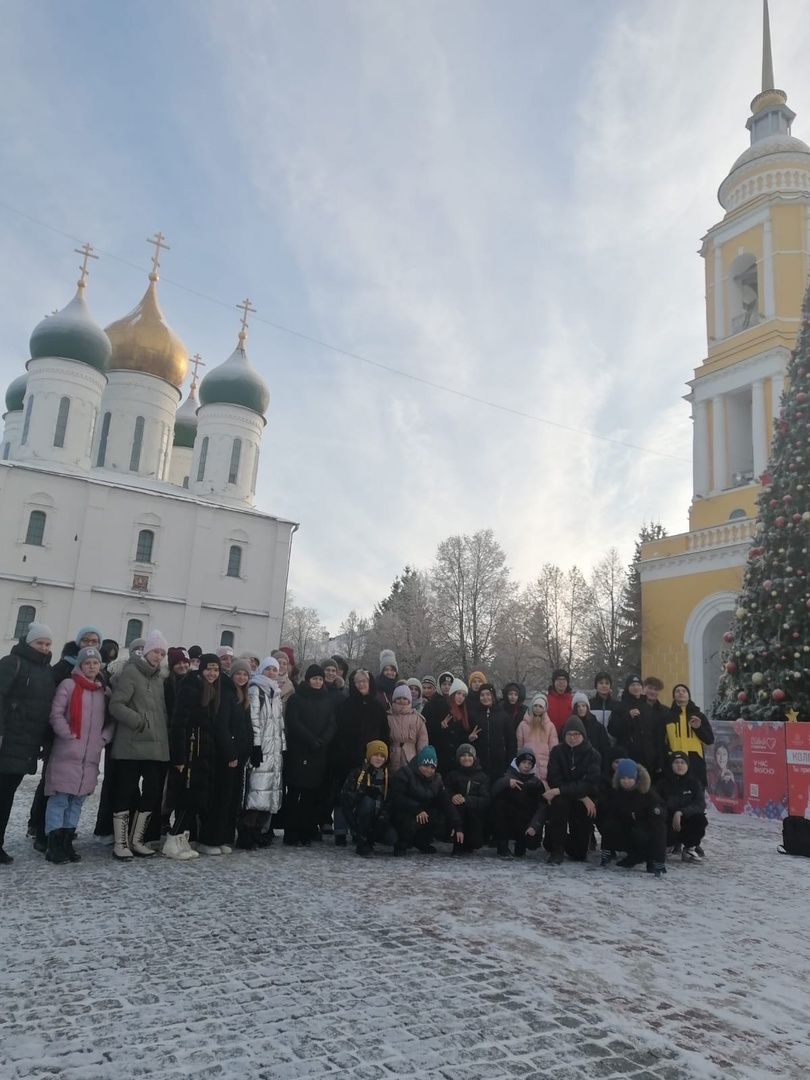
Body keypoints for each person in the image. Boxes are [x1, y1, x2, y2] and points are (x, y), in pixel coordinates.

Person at [44, 646, 113, 865]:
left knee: (77, 802)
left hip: (90, 756)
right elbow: (56, 713)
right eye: (87, 663)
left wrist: (104, 738)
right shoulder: (69, 685)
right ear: (80, 665)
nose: (92, 667)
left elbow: (112, 720)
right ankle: (53, 844)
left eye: (95, 663)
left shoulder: (104, 691)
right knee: (60, 799)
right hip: (67, 751)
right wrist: (67, 734)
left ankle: (66, 842)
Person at [108, 629, 170, 861]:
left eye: (162, 653)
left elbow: (161, 712)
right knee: (125, 792)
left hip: (154, 747)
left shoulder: (158, 678)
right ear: (146, 651)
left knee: (152, 793)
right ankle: (120, 842)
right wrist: (138, 721)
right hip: (131, 746)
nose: (158, 656)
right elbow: (116, 705)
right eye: (156, 651)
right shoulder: (132, 672)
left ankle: (137, 839)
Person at [163, 653, 228, 860]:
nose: (212, 673)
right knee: (186, 797)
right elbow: (178, 724)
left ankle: (182, 839)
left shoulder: (210, 690)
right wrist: (179, 758)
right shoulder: (191, 688)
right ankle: (173, 840)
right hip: (190, 753)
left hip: (202, 753)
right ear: (201, 669)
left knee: (194, 799)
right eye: (209, 669)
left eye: (216, 670)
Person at [0, 622, 55, 864]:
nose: (44, 647)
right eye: (39, 643)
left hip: (26, 744)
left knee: (6, 794)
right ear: (28, 643)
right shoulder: (11, 663)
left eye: (47, 644)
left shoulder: (46, 670)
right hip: (6, 739)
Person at [331, 670, 389, 846]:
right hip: (346, 758)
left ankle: (360, 831)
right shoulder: (344, 705)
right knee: (344, 795)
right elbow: (337, 732)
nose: (362, 685)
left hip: (371, 761)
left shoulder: (378, 707)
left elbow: (384, 734)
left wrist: (382, 757)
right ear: (353, 684)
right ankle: (340, 831)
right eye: (358, 682)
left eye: (365, 681)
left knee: (367, 796)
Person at [283, 664, 336, 845]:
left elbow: (331, 724)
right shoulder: (297, 698)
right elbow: (294, 721)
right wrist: (310, 739)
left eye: (320, 679)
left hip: (318, 753)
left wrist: (322, 741)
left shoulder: (327, 700)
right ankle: (291, 833)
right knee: (295, 794)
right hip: (300, 751)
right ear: (308, 679)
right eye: (315, 678)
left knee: (310, 797)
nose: (318, 682)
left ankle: (306, 832)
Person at [241, 656, 286, 849]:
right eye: (268, 669)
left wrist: (283, 747)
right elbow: (254, 720)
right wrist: (256, 746)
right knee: (255, 793)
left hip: (274, 751)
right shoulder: (255, 689)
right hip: (261, 749)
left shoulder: (275, 692)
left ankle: (258, 831)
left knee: (268, 794)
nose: (271, 673)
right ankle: (246, 833)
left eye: (274, 670)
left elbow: (280, 723)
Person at [543, 716, 601, 865]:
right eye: (569, 734)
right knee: (559, 803)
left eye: (576, 734)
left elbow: (590, 783)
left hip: (584, 798)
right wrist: (578, 795)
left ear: (583, 735)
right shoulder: (557, 751)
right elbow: (554, 778)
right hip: (567, 797)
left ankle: (572, 844)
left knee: (579, 853)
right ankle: (557, 848)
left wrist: (566, 791)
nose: (573, 738)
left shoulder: (593, 754)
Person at [599, 758, 667, 878]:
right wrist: (606, 848)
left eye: (630, 778)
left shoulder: (649, 795)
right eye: (623, 778)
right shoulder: (617, 793)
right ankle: (629, 856)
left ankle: (650, 860)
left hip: (646, 832)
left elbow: (659, 829)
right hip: (628, 829)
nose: (626, 781)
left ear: (636, 777)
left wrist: (659, 859)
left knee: (641, 834)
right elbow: (610, 817)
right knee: (610, 825)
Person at [390, 744, 461, 856]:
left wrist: (457, 824)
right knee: (412, 821)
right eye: (426, 765)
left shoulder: (437, 780)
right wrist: (416, 808)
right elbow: (396, 797)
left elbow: (446, 802)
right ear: (419, 763)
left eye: (432, 767)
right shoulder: (404, 773)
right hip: (403, 812)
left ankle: (421, 841)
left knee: (440, 818)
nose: (429, 770)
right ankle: (401, 845)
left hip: (424, 813)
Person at [340, 740, 398, 857]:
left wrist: (383, 818)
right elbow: (345, 797)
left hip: (378, 817)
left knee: (392, 838)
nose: (379, 758)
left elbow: (391, 800)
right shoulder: (357, 772)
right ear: (369, 756)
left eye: (382, 756)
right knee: (368, 803)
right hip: (359, 816)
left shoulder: (389, 776)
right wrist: (364, 792)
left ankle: (370, 839)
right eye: (376, 755)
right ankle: (362, 842)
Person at [221, 658, 254, 850]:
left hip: (241, 756)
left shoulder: (243, 695)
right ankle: (220, 836)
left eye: (245, 674)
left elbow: (247, 726)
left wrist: (249, 748)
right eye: (238, 674)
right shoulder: (227, 695)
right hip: (230, 756)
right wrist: (231, 753)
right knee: (226, 798)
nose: (241, 677)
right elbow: (223, 727)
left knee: (235, 798)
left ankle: (227, 835)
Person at [490, 749, 544, 859]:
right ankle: (502, 845)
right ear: (518, 763)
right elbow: (493, 793)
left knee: (532, 843)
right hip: (508, 819)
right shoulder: (507, 776)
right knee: (499, 805)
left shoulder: (536, 783)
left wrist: (534, 825)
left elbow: (542, 806)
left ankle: (521, 844)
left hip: (526, 821)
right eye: (524, 762)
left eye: (529, 763)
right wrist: (506, 783)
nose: (526, 766)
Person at [608, 674, 665, 779]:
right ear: (628, 687)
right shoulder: (620, 706)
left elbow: (657, 735)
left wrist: (658, 759)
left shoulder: (647, 708)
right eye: (633, 685)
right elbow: (612, 729)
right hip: (628, 755)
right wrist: (628, 717)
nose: (636, 687)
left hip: (648, 758)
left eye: (638, 685)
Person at [655, 751, 708, 862]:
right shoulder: (662, 784)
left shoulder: (694, 783)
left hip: (685, 819)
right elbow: (656, 803)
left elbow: (700, 804)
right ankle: (665, 846)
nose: (680, 765)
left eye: (683, 762)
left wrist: (681, 812)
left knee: (700, 819)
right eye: (676, 762)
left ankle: (689, 848)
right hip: (668, 821)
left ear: (687, 765)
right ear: (671, 765)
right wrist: (669, 813)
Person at [663, 684, 714, 788]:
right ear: (674, 696)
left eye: (684, 691)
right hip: (675, 762)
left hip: (695, 762)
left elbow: (709, 740)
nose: (681, 693)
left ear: (688, 696)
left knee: (697, 796)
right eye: (678, 691)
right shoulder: (667, 716)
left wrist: (698, 728)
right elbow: (661, 741)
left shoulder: (699, 715)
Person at [444, 743, 491, 855]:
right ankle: (457, 844)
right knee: (457, 808)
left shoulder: (483, 777)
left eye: (469, 755)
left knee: (476, 842)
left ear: (474, 758)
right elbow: (444, 792)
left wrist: (466, 800)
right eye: (463, 755)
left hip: (474, 814)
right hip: (456, 814)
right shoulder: (452, 775)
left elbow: (486, 799)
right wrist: (452, 796)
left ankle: (469, 842)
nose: (466, 758)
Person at [470, 683, 516, 785]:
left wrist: (509, 763)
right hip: (479, 765)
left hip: (500, 765)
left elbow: (511, 742)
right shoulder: (473, 715)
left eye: (488, 694)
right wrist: (470, 738)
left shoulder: (504, 716)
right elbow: (465, 739)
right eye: (482, 695)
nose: (485, 697)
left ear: (493, 696)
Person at [570, 692, 613, 787]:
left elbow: (605, 750)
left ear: (587, 707)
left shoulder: (598, 727)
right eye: (578, 706)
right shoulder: (568, 727)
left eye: (583, 705)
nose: (581, 708)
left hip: (596, 772)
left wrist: (604, 772)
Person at [515, 693, 558, 782]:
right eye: (535, 706)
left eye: (540, 706)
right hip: (528, 765)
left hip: (545, 766)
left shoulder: (550, 726)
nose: (537, 708)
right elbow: (519, 747)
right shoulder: (523, 725)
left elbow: (553, 748)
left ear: (544, 708)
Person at [386, 684, 428, 772]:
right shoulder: (388, 717)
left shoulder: (417, 718)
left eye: (405, 698)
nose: (402, 701)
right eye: (399, 698)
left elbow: (422, 741)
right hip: (392, 756)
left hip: (411, 757)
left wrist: (422, 759)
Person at [433, 678, 470, 776]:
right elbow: (428, 726)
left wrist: (469, 738)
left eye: (463, 695)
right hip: (441, 756)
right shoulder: (441, 706)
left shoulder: (463, 712)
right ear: (453, 693)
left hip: (455, 759)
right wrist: (439, 725)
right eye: (458, 693)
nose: (461, 697)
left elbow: (461, 736)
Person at [164, 647, 191, 719]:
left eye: (185, 662)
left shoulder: (195, 681)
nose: (182, 666)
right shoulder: (166, 684)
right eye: (178, 663)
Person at [546, 669, 573, 735]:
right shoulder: (546, 700)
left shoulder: (573, 700)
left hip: (568, 738)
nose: (561, 682)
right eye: (558, 679)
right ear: (554, 682)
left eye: (564, 679)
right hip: (548, 736)